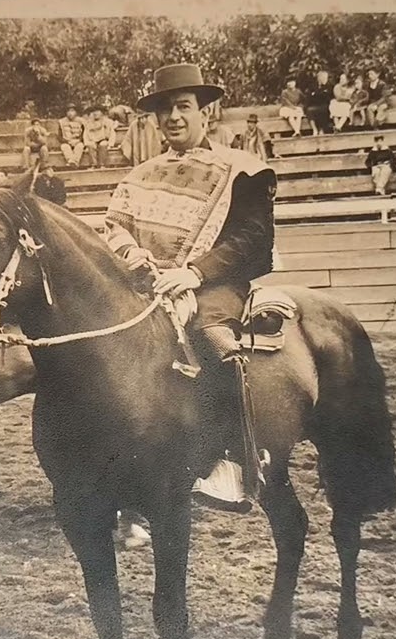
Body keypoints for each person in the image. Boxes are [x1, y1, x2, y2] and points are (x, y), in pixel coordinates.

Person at [102, 64, 277, 512]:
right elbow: (116, 227)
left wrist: (195, 273)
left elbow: (252, 237)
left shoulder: (242, 170)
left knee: (211, 335)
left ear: (206, 112)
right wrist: (132, 255)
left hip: (213, 283)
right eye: (165, 110)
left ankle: (234, 463)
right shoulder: (139, 175)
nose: (174, 117)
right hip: (149, 281)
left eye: (183, 107)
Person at [305, 69, 335, 135]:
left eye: (326, 78)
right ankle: (314, 129)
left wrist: (316, 94)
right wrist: (318, 94)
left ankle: (321, 129)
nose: (325, 79)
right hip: (314, 105)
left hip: (325, 105)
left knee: (323, 110)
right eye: (323, 78)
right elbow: (309, 97)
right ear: (319, 78)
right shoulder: (312, 86)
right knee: (309, 110)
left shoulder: (330, 86)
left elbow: (328, 97)